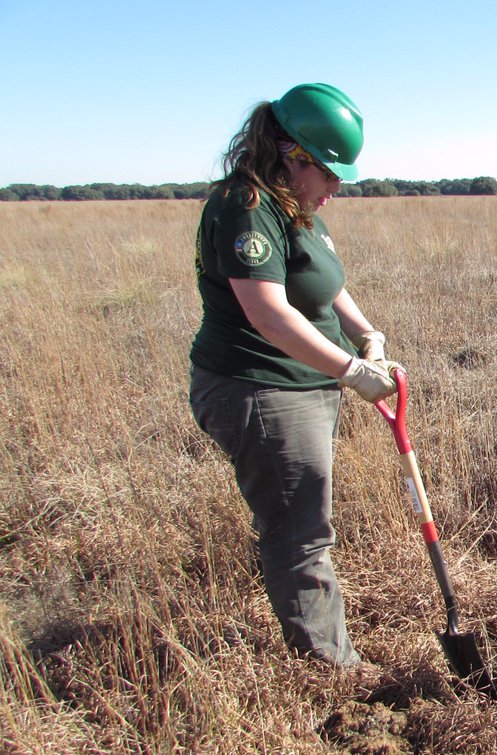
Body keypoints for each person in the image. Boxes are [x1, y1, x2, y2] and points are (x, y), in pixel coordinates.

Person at [189, 83, 401, 669]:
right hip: (260, 388)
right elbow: (269, 315)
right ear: (292, 154)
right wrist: (351, 370)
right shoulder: (247, 207)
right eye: (330, 173)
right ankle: (331, 670)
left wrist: (368, 336)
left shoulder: (297, 208)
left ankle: (321, 640)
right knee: (300, 533)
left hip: (306, 383)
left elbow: (326, 286)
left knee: (301, 517)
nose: (337, 187)